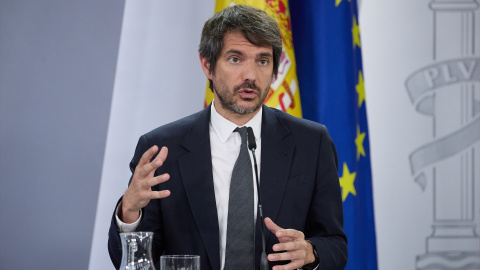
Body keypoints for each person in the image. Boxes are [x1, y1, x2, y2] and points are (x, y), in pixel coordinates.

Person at [108, 5, 347, 270]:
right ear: (207, 65)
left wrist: (311, 252)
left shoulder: (311, 143)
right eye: (235, 59)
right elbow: (135, 261)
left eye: (262, 60)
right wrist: (129, 212)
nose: (250, 76)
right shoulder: (163, 149)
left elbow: (335, 244)